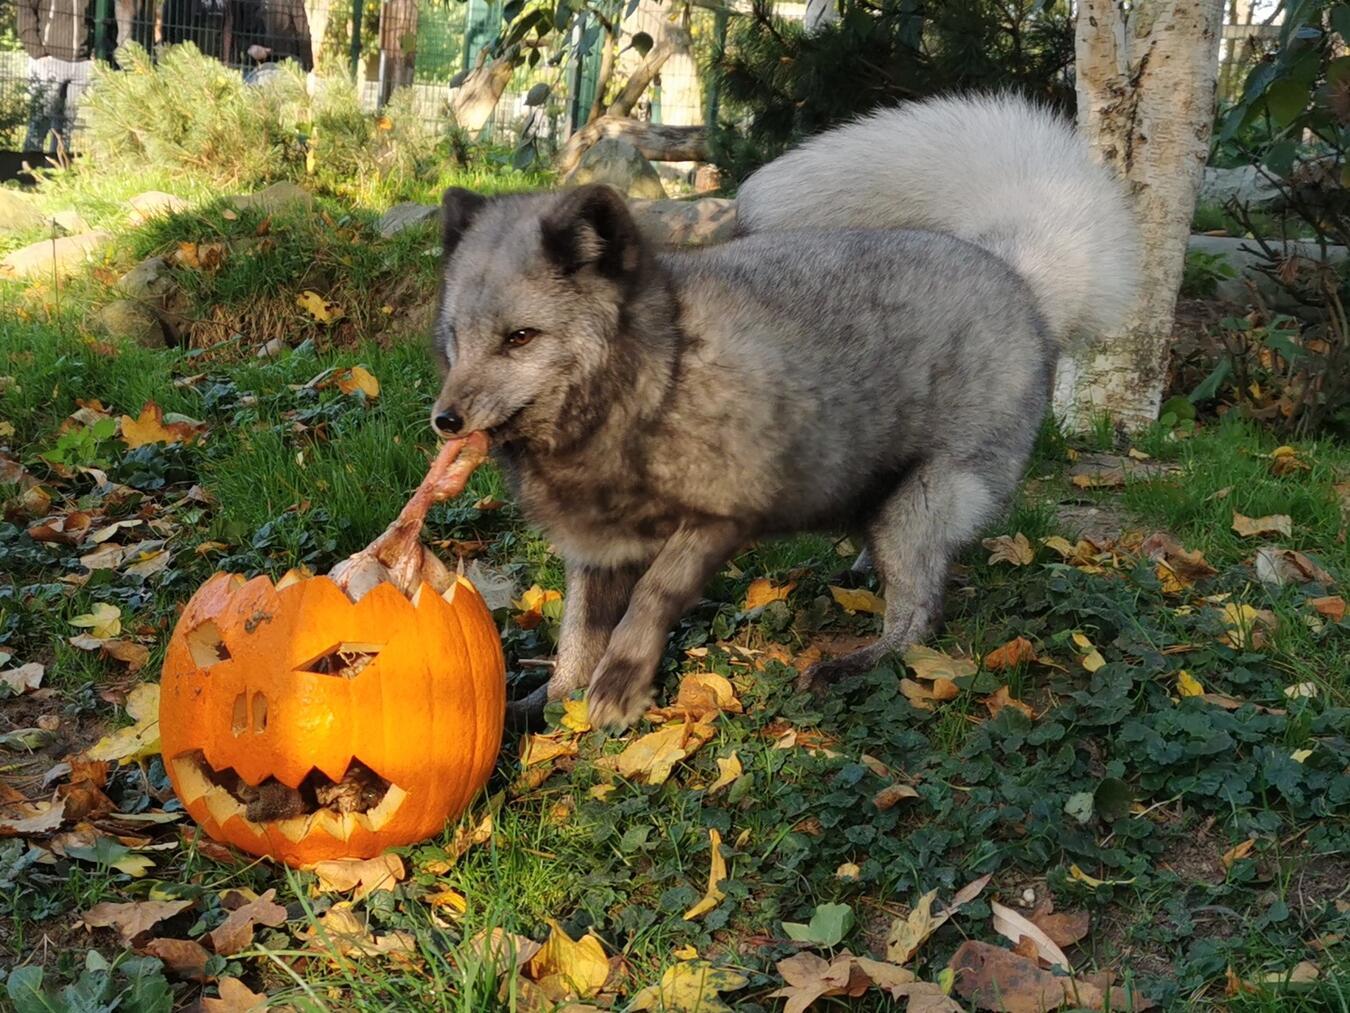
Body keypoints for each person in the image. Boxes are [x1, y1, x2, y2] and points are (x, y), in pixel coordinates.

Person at [16, 0, 114, 154]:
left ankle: (58, 171)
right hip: (49, 59)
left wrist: (95, 52)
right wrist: (37, 52)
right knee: (41, 121)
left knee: (66, 125)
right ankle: (28, 170)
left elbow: (102, 16)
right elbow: (25, 10)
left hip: (82, 62)